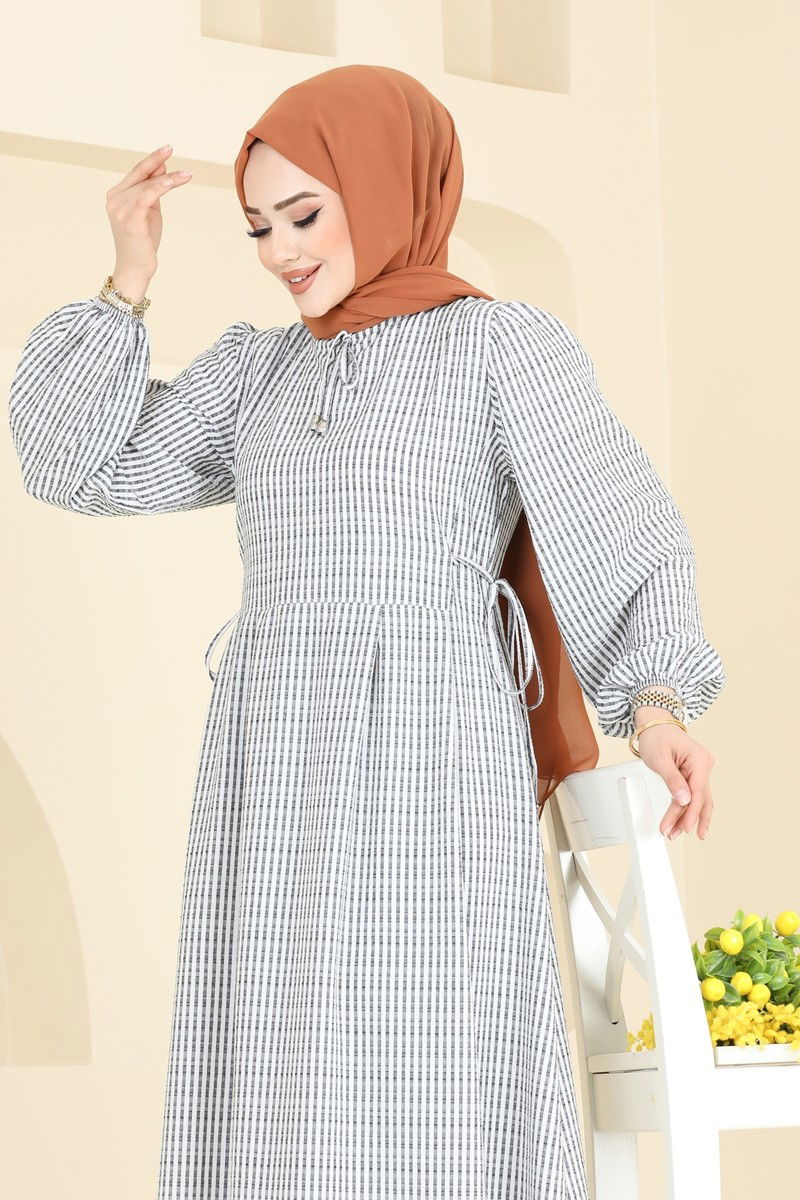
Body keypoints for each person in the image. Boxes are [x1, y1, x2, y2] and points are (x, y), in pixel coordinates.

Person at [8, 64, 724, 1200]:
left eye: (304, 214)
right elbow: (75, 465)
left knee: (429, 1051)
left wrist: (656, 705)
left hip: (430, 746)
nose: (280, 252)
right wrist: (127, 277)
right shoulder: (258, 373)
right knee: (274, 1051)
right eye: (258, 227)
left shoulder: (498, 348)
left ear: (392, 185)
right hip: (271, 753)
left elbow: (613, 518)